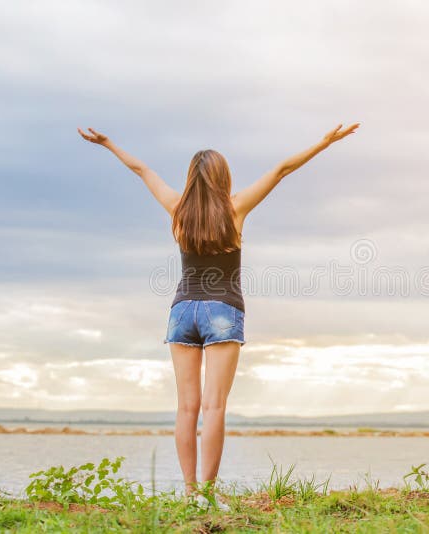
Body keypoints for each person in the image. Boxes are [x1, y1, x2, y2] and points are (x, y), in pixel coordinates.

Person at [78, 122, 359, 509]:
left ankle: (190, 492)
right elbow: (280, 170)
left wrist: (109, 144)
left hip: (181, 311)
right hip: (222, 311)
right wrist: (324, 143)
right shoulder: (235, 208)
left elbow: (142, 170)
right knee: (213, 408)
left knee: (186, 408)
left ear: (191, 179)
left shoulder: (177, 209)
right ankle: (207, 496)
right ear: (223, 177)